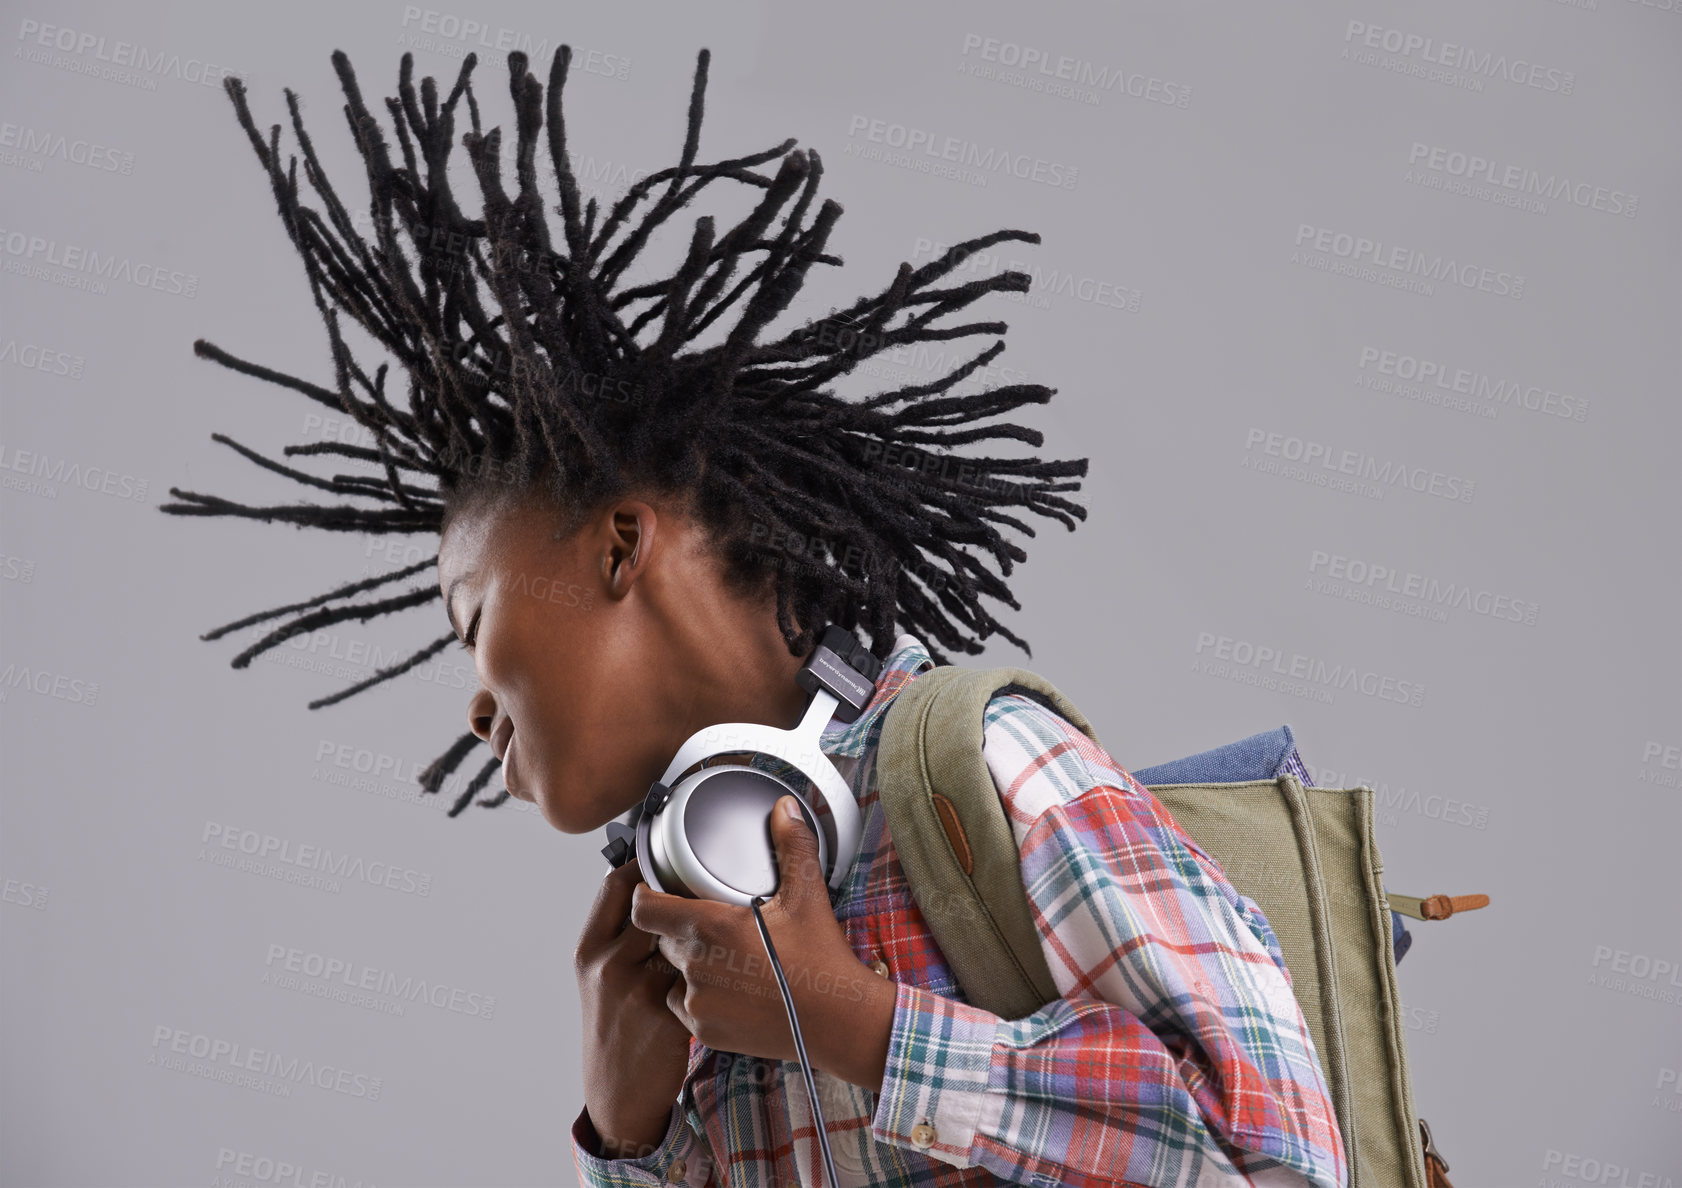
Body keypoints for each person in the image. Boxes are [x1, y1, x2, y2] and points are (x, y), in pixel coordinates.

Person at [162, 42, 1348, 1188]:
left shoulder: (977, 770)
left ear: (619, 546)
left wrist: (856, 1025)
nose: (475, 706)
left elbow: (1284, 1170)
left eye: (472, 621)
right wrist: (627, 1138)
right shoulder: (691, 927)